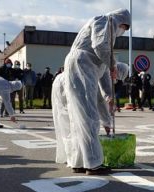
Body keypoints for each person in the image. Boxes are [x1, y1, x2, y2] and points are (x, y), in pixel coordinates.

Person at [53, 8, 130, 175]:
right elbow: (99, 45)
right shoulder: (103, 21)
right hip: (81, 64)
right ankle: (93, 163)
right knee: (88, 116)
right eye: (123, 27)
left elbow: (104, 80)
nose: (122, 31)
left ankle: (78, 161)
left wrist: (109, 97)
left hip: (82, 65)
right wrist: (113, 64)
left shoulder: (103, 52)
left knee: (79, 117)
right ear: (118, 21)